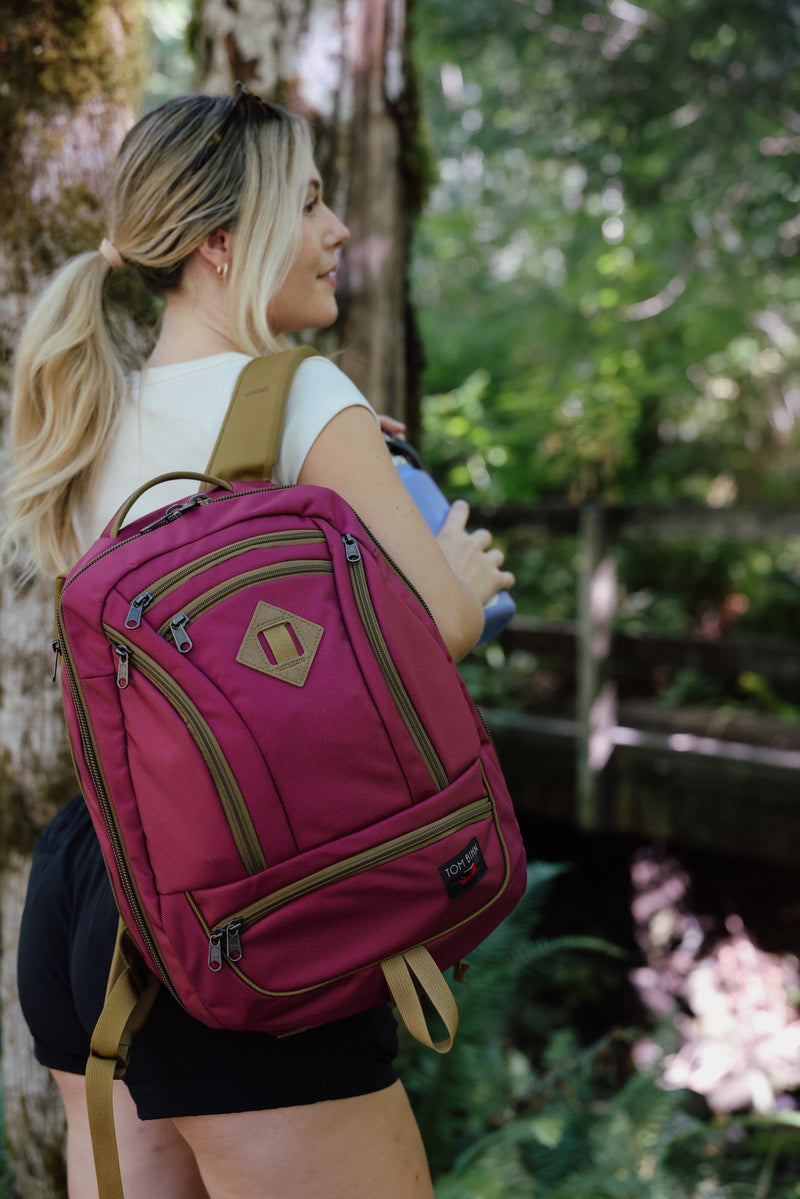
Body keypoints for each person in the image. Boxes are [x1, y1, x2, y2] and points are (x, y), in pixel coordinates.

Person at [2, 84, 515, 1199]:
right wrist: (465, 585)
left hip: (92, 888)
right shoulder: (302, 394)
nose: (337, 233)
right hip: (247, 905)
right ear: (223, 245)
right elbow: (430, 636)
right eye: (312, 202)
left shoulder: (91, 407)